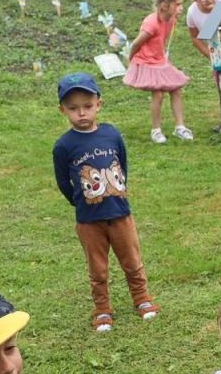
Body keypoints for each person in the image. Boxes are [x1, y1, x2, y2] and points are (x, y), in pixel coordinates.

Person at [52, 71, 158, 332]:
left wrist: (117, 191)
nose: (82, 113)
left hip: (120, 214)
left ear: (98, 104)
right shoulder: (63, 146)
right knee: (97, 269)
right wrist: (80, 203)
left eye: (87, 106)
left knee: (132, 261)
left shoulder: (111, 134)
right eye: (73, 108)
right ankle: (102, 309)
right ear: (62, 110)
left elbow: (122, 165)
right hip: (89, 221)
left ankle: (142, 299)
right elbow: (63, 182)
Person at [126, 0, 193, 144]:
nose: (181, 8)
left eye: (181, 4)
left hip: (159, 60)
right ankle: (156, 130)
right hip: (146, 61)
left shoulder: (171, 19)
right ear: (164, 5)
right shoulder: (151, 23)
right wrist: (130, 61)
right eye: (177, 4)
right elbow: (136, 43)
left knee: (175, 89)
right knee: (158, 93)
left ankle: (180, 127)